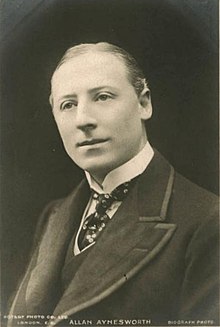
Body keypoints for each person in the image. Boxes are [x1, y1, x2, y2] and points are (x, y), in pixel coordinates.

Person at [7, 42, 219, 327]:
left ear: (144, 103)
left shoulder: (207, 221)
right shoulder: (54, 215)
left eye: (103, 97)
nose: (83, 120)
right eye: (68, 105)